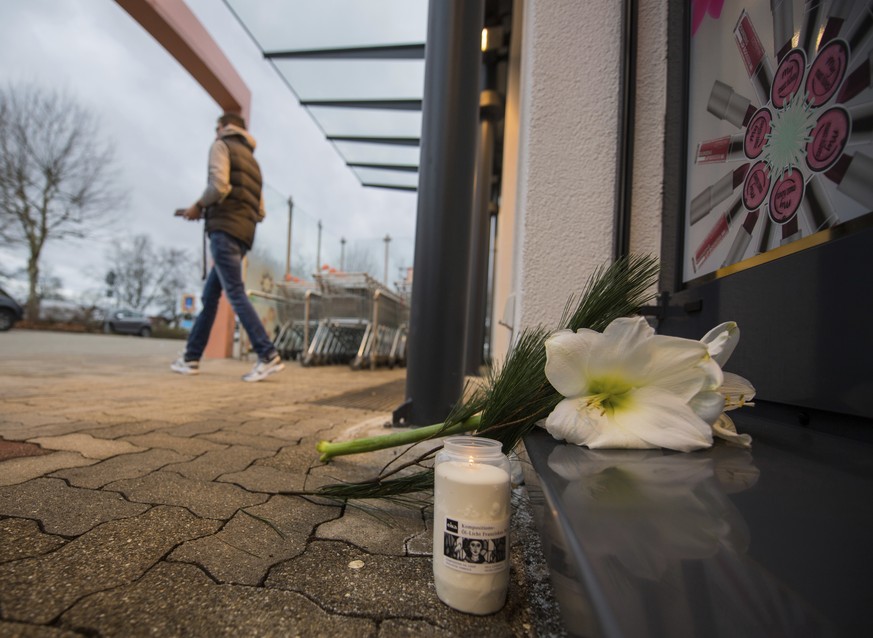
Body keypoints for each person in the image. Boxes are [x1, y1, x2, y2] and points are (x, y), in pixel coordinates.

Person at [170, 112, 284, 383]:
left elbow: (219, 186)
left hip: (224, 231)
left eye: (216, 128)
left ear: (223, 127)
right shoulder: (254, 163)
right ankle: (191, 357)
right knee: (211, 297)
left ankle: (267, 354)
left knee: (234, 292)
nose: (215, 132)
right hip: (244, 235)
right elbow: (261, 211)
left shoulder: (221, 145)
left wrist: (197, 207)